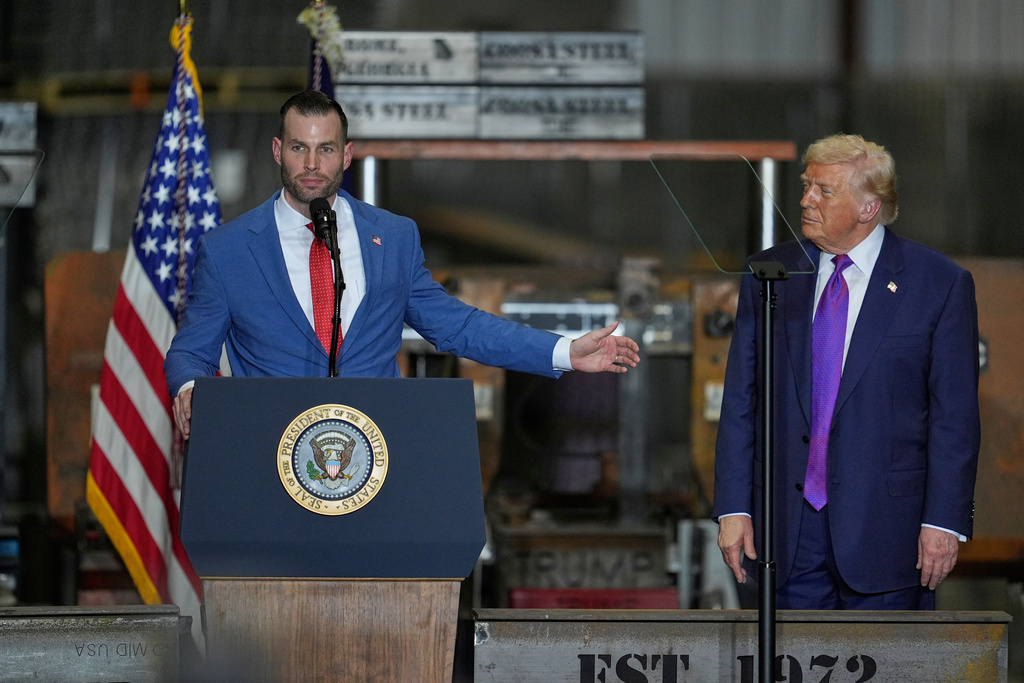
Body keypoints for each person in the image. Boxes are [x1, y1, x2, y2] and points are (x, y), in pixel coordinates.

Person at [165, 90, 640, 437]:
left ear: (346, 155)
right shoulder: (228, 250)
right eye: (298, 147)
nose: (312, 163)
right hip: (265, 457)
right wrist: (189, 387)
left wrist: (564, 353)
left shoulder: (392, 237)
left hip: (376, 459)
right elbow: (191, 351)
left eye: (325, 148)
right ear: (277, 151)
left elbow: (457, 326)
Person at [712, 134, 980, 610]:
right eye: (806, 185)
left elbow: (954, 418)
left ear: (868, 208)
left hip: (890, 536)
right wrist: (734, 508)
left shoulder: (938, 284)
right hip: (787, 533)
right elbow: (741, 402)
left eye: (824, 191)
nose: (805, 200)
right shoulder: (769, 273)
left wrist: (943, 522)